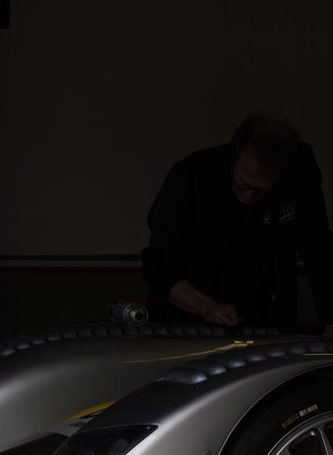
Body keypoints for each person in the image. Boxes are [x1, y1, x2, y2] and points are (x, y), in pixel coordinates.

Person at [141, 113, 333, 334]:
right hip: (186, 317)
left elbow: (319, 247)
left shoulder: (301, 170)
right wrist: (206, 306)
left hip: (264, 315)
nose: (249, 197)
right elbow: (159, 266)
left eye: (261, 191)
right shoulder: (191, 176)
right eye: (242, 185)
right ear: (234, 156)